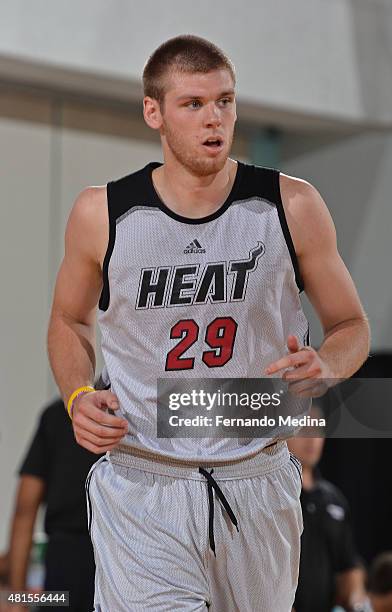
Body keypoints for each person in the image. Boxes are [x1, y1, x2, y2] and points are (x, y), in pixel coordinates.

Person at [47, 34, 370, 611]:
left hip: (257, 472)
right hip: (145, 476)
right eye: (193, 104)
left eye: (224, 100)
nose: (213, 118)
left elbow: (351, 324)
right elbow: (69, 321)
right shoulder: (103, 213)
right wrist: (76, 393)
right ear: (155, 112)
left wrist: (328, 363)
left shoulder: (290, 206)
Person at [2, 399, 101, 612]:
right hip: (128, 557)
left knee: (55, 601)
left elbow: (24, 511)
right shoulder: (153, 410)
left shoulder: (57, 414)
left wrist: (16, 597)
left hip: (64, 568)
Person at [287, 407, 367, 612]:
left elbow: (349, 563)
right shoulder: (271, 495)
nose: (312, 439)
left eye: (318, 430)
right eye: (304, 429)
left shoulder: (334, 499)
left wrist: (357, 601)